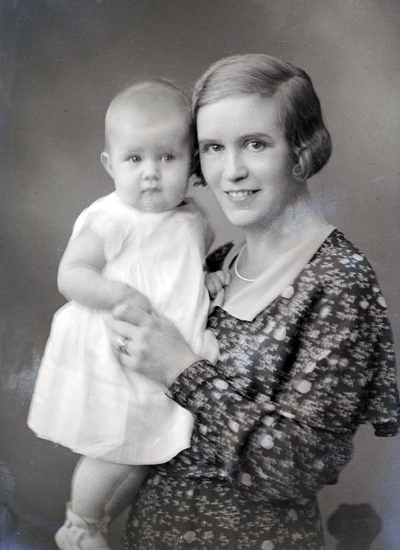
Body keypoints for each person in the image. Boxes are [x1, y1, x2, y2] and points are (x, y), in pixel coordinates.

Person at [106, 54, 400, 550]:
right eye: (213, 148)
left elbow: (298, 469)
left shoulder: (339, 281)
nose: (232, 171)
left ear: (301, 150)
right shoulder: (217, 261)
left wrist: (180, 370)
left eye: (256, 144)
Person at [27, 80, 227, 550]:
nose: (151, 174)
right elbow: (72, 274)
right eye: (134, 159)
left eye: (167, 158)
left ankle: (96, 525)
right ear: (109, 164)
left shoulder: (193, 219)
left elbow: (180, 272)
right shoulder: (113, 218)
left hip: (165, 354)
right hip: (118, 353)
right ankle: (79, 525)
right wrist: (117, 294)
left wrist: (205, 281)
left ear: (192, 163)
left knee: (146, 453)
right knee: (116, 450)